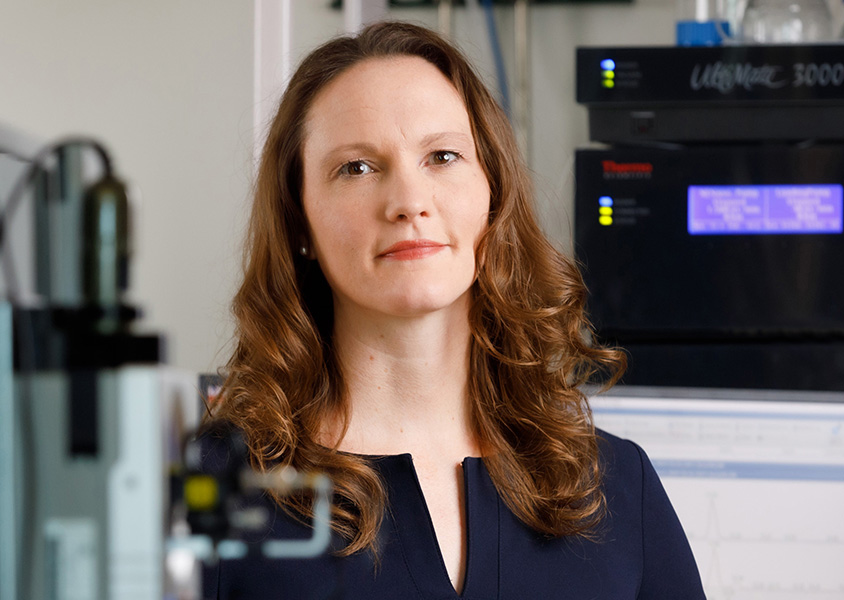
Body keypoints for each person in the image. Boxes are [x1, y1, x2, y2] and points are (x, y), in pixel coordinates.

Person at [210, 20, 705, 599]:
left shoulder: (615, 488)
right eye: (357, 168)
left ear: (492, 195)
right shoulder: (218, 491)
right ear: (299, 220)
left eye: (442, 156)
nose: (409, 202)